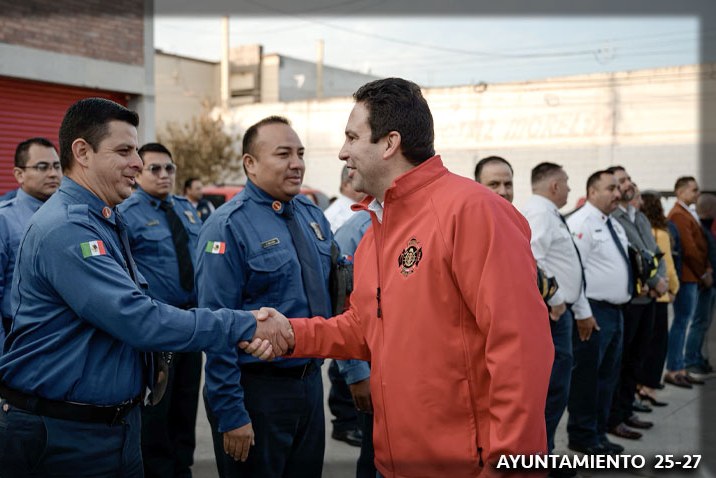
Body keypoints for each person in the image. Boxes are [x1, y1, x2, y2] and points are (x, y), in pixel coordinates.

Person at [245, 78, 553, 477]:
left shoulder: (473, 212)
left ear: (389, 143)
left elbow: (521, 348)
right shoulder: (377, 227)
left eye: (352, 137)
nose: (342, 152)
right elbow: (363, 328)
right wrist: (292, 333)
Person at [0, 98, 282, 478]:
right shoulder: (67, 228)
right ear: (83, 152)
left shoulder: (103, 218)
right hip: (65, 435)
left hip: (108, 427)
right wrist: (245, 324)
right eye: (124, 151)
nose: (139, 164)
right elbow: (137, 318)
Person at [196, 116, 335, 477]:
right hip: (256, 393)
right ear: (250, 164)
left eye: (301, 154)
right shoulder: (227, 225)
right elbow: (216, 326)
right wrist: (231, 413)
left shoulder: (311, 215)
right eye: (283, 154)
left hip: (307, 385)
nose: (297, 163)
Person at [117, 143, 202, 477]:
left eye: (170, 168)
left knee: (185, 405)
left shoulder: (186, 209)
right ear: (138, 172)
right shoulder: (126, 212)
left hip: (191, 323)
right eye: (155, 168)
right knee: (156, 412)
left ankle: (183, 468)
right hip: (155, 330)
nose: (165, 175)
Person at [0, 137, 62, 363]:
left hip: (68, 337)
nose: (53, 173)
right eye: (42, 167)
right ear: (19, 174)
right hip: (23, 338)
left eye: (57, 166)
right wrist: (3, 351)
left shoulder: (71, 216)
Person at [521, 162, 585, 476]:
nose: (571, 189)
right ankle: (538, 460)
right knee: (551, 390)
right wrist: (556, 299)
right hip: (552, 314)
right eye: (567, 183)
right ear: (554, 186)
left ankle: (543, 454)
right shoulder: (541, 213)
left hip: (561, 313)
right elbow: (532, 259)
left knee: (556, 388)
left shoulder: (549, 213)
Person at [565, 170, 634, 455]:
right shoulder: (581, 222)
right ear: (592, 192)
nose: (617, 194)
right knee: (588, 379)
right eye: (610, 189)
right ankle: (583, 436)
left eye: (618, 188)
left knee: (607, 377)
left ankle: (599, 433)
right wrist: (583, 313)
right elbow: (573, 271)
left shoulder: (612, 224)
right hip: (593, 311)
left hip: (615, 311)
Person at [603, 167, 667, 440]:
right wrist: (656, 283)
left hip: (648, 298)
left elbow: (654, 252)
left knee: (636, 359)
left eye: (629, 180)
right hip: (632, 299)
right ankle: (614, 417)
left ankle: (627, 410)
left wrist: (660, 281)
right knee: (621, 360)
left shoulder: (638, 216)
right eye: (622, 181)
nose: (628, 184)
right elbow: (636, 255)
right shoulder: (614, 218)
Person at [323, 164, 367, 448]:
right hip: (349, 302)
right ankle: (345, 422)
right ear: (347, 182)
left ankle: (346, 421)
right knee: (344, 368)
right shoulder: (349, 217)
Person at [333, 210, 376, 478]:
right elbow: (344, 307)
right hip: (375, 366)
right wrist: (357, 372)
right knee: (376, 457)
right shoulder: (356, 230)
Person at [665, 176, 711, 387]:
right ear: (680, 192)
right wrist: (703, 273)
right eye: (693, 190)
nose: (697, 193)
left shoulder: (686, 213)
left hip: (692, 275)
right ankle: (675, 367)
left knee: (684, 322)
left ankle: (680, 366)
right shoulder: (679, 215)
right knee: (682, 322)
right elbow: (690, 250)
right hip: (687, 276)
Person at [638, 190, 680, 406]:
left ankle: (640, 385)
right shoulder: (661, 234)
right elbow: (668, 266)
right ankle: (649, 388)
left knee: (643, 345)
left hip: (645, 293)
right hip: (660, 296)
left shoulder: (642, 232)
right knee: (657, 346)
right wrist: (673, 288)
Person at [685, 192, 716, 377]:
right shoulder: (698, 228)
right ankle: (691, 360)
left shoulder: (705, 228)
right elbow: (695, 255)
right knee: (698, 322)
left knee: (703, 323)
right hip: (704, 283)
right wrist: (705, 275)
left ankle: (698, 358)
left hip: (710, 283)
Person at [324, 164, 366, 233]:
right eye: (360, 182)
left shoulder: (360, 209)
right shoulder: (337, 217)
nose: (364, 186)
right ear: (345, 185)